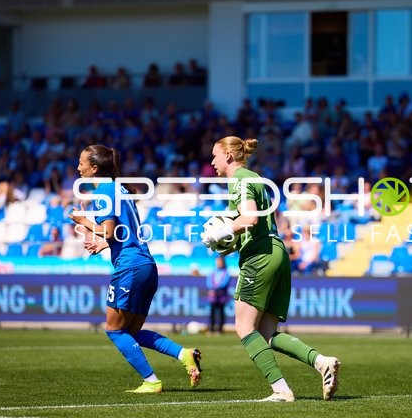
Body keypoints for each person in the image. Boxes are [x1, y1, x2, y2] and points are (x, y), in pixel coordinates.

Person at [202, 136, 340, 402]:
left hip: (261, 256)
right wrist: (225, 241)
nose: (212, 162)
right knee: (266, 334)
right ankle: (322, 362)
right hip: (277, 252)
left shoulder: (240, 180)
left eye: (215, 156)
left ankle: (281, 390)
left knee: (244, 327)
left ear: (229, 156)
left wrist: (223, 229)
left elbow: (250, 218)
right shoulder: (252, 179)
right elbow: (255, 224)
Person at [69, 144, 202, 394]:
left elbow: (109, 230)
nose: (78, 167)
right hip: (146, 265)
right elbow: (121, 233)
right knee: (131, 331)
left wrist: (82, 221)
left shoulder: (105, 192)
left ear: (94, 168)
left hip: (130, 267)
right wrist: (103, 243)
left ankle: (152, 381)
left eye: (81, 162)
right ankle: (184, 354)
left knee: (113, 330)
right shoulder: (119, 190)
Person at [206, 256, 230, 334]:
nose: (218, 263)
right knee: (212, 312)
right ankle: (211, 329)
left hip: (221, 296)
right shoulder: (213, 272)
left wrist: (216, 290)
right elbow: (209, 282)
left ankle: (220, 329)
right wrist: (212, 289)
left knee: (221, 312)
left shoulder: (225, 273)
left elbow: (224, 283)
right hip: (213, 296)